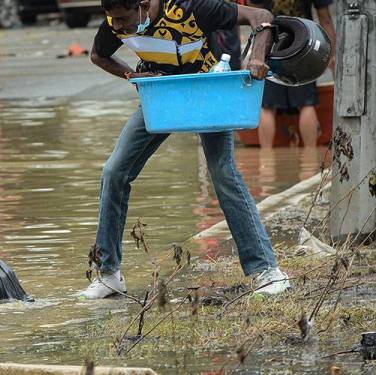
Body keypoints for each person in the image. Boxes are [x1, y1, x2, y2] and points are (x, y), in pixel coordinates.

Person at [79, 0, 291, 299]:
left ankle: (265, 270)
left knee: (223, 173)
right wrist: (132, 76)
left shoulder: (189, 7)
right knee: (114, 171)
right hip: (163, 97)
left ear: (141, 6)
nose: (119, 28)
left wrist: (256, 57)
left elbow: (261, 16)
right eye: (113, 21)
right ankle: (109, 274)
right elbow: (98, 55)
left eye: (124, 19)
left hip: (208, 90)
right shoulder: (116, 22)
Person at [254, 0, 336, 148]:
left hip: (272, 47)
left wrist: (255, 54)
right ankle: (311, 158)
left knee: (267, 106)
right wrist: (330, 54)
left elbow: (256, 19)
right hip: (304, 47)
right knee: (306, 104)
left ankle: (265, 162)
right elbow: (325, 19)